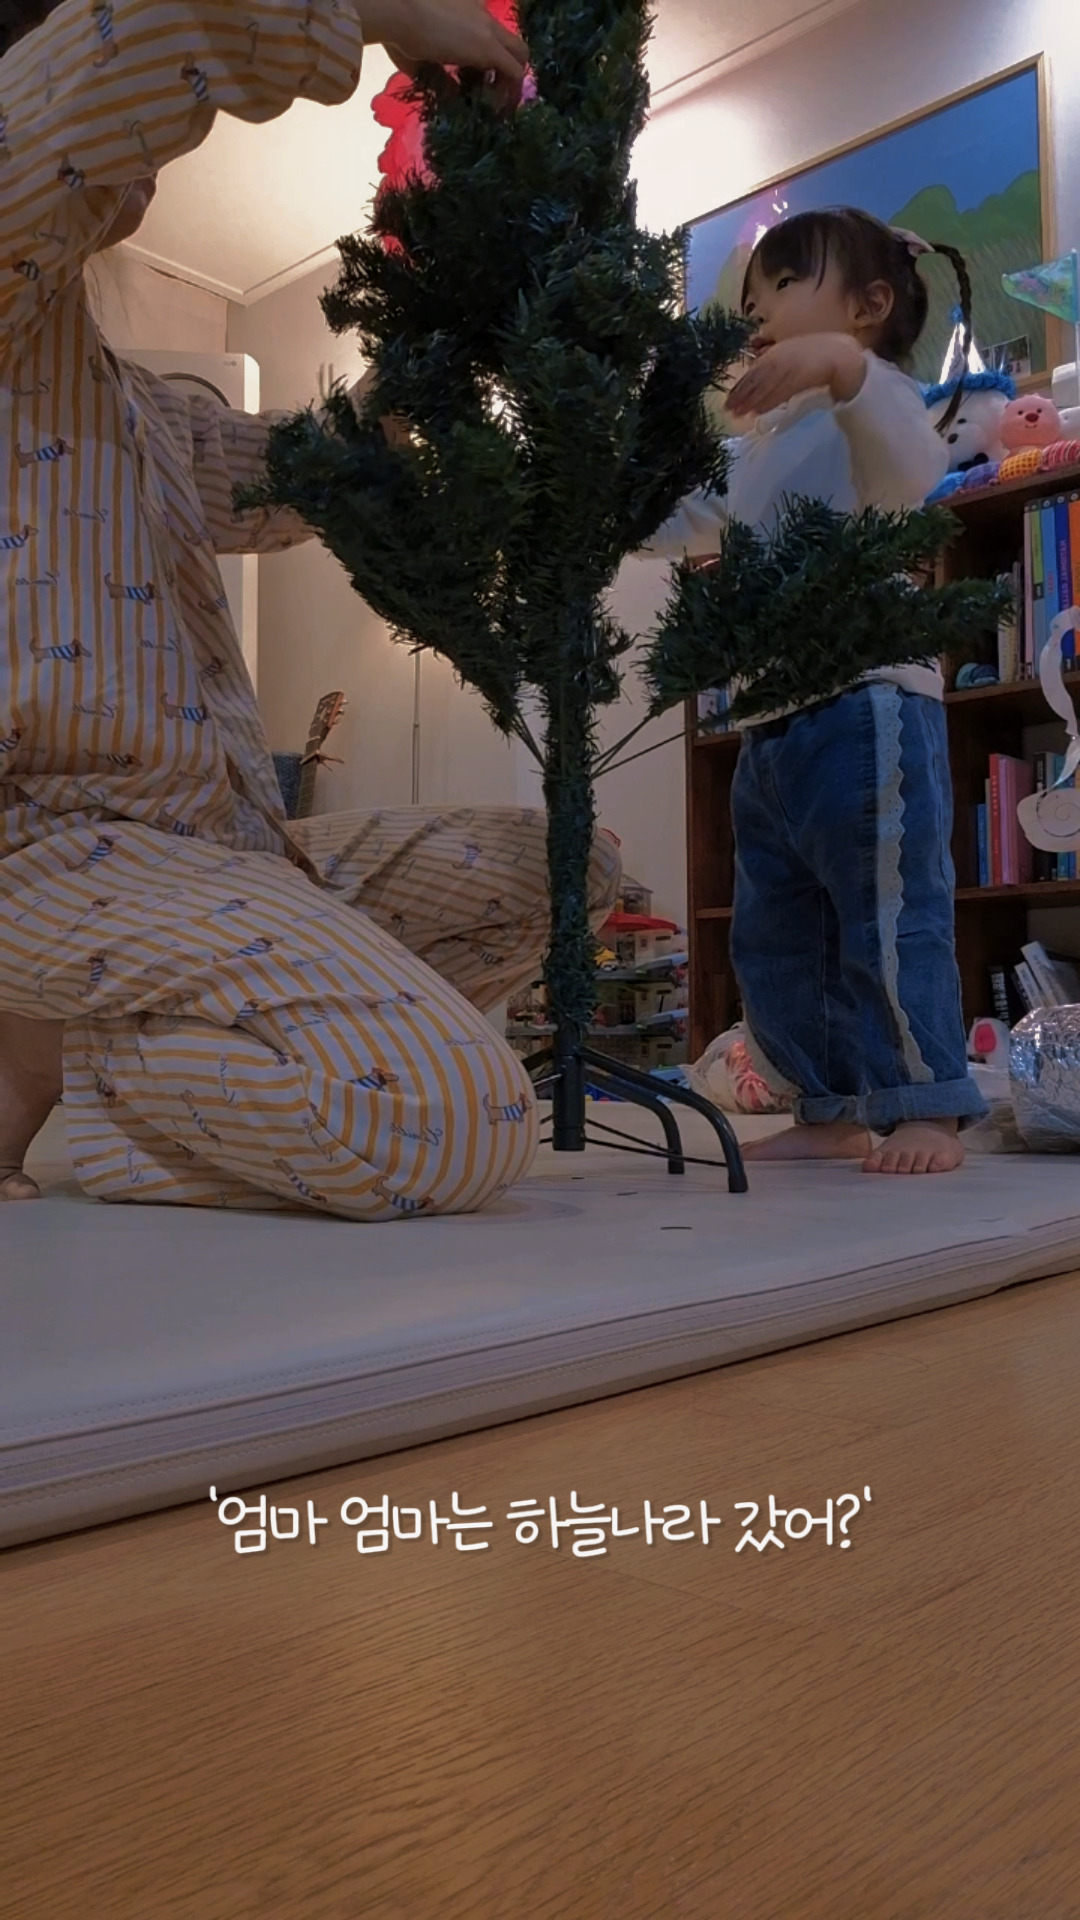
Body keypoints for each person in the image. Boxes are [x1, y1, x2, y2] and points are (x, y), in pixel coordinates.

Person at [0, 0, 620, 1213]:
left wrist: (436, 331)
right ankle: (56, 1060)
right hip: (53, 861)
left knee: (562, 869)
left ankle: (129, 1050)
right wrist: (384, 10)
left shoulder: (133, 403)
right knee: (452, 1113)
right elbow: (138, 40)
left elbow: (312, 471)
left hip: (232, 852)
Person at [647, 207, 985, 1176]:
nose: (756, 312)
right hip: (769, 725)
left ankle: (924, 1102)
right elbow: (674, 517)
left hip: (867, 703)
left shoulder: (883, 403)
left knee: (888, 911)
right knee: (778, 932)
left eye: (782, 288)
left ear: (869, 306)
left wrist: (843, 369)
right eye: (750, 297)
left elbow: (914, 467)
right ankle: (830, 1104)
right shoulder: (762, 444)